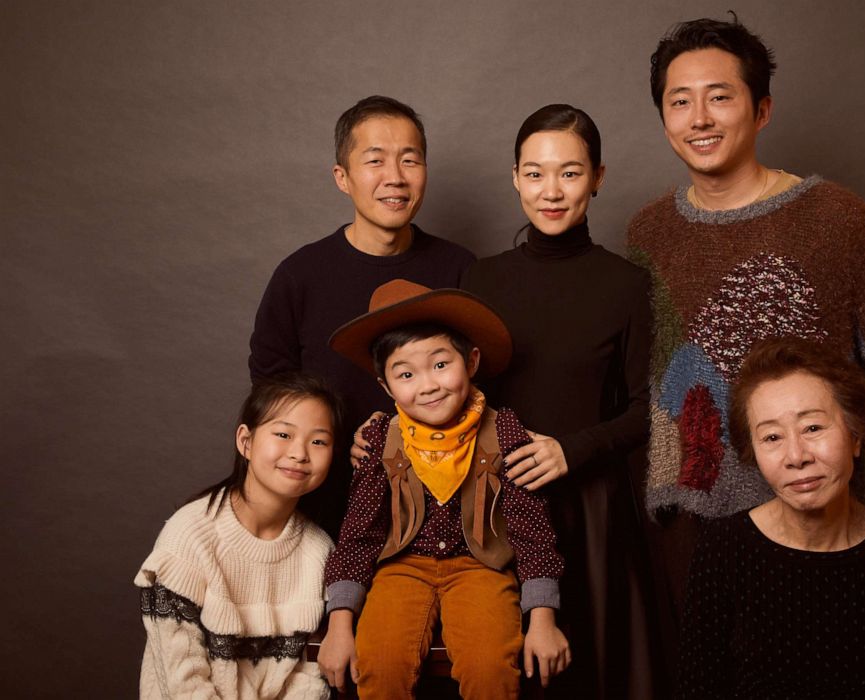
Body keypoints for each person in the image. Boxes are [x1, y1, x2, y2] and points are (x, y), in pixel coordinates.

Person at [626, 17, 865, 674]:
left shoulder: (836, 217)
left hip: (833, 518)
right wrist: (664, 496)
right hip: (702, 527)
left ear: (762, 107)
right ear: (662, 117)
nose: (699, 118)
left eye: (720, 96)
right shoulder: (648, 232)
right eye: (679, 101)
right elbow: (657, 373)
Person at [461, 104, 661, 699]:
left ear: (598, 177)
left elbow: (652, 406)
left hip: (591, 509)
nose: (552, 191)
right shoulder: (480, 280)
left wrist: (572, 451)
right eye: (536, 173)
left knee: (591, 677)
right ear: (515, 178)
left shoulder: (628, 286)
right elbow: (448, 392)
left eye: (570, 173)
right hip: (492, 502)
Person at [317, 279, 570, 699]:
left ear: (471, 361)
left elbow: (532, 531)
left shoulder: (504, 429)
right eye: (406, 374)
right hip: (401, 567)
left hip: (481, 568)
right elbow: (358, 535)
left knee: (491, 669)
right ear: (385, 386)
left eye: (440, 365)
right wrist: (338, 625)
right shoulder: (380, 437)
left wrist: (543, 619)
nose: (429, 385)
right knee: (379, 664)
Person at [249, 95, 475, 535]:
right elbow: (272, 390)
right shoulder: (300, 275)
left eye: (410, 161)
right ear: (343, 177)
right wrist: (336, 438)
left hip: (441, 509)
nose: (395, 178)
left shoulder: (462, 270)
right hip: (325, 507)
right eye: (375, 161)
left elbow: (486, 384)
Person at [679, 337, 865, 697]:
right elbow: (698, 689)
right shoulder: (723, 548)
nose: (796, 456)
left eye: (813, 428)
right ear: (754, 452)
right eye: (772, 437)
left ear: (855, 437)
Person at [134, 373, 341, 699]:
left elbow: (310, 677)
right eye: (284, 434)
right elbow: (182, 681)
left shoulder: (320, 551)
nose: (300, 452)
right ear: (246, 441)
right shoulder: (189, 536)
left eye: (319, 441)